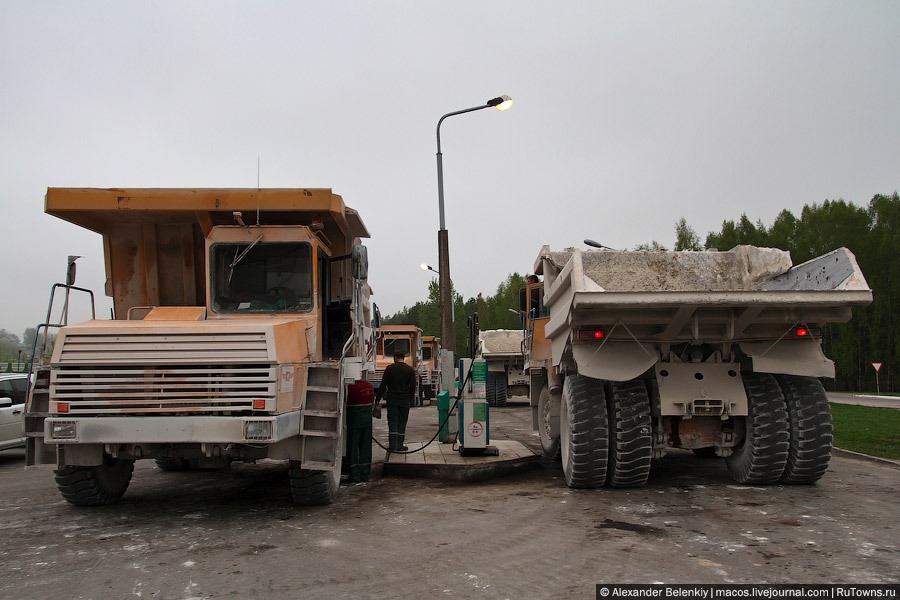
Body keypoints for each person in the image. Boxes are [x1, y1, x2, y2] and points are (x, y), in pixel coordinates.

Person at [375, 351, 417, 452]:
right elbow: (413, 386)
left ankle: (393, 446)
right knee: (402, 422)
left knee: (392, 421)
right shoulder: (410, 369)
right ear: (403, 358)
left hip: (392, 399)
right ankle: (400, 445)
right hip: (404, 400)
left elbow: (383, 385)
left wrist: (377, 399)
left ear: (395, 358)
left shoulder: (390, 368)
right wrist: (410, 399)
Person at [346, 378, 375, 483]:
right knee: (365, 448)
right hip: (367, 422)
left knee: (353, 449)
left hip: (354, 421)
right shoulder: (370, 386)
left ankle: (355, 475)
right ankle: (365, 474)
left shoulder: (351, 387)